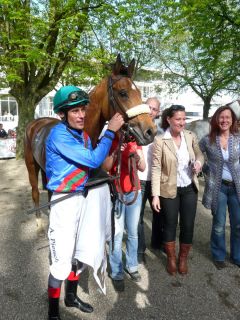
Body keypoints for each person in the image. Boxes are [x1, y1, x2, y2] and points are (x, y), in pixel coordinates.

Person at [45, 85, 124, 320]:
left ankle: (71, 297)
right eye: (74, 111)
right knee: (61, 261)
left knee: (78, 255)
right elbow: (91, 160)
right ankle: (52, 312)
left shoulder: (85, 136)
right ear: (62, 114)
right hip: (64, 202)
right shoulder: (58, 135)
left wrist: (114, 151)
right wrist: (110, 131)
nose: (81, 115)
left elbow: (95, 167)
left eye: (82, 110)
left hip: (83, 199)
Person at [151, 105, 204, 275]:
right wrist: (155, 195)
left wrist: (198, 163)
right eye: (178, 119)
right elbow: (156, 168)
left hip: (189, 188)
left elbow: (199, 154)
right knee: (170, 225)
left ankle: (182, 258)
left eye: (184, 119)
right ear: (168, 119)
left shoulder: (190, 136)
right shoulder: (160, 140)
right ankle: (171, 258)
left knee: (187, 225)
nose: (182, 123)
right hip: (169, 189)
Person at [199, 105, 240, 270]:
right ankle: (218, 255)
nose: (224, 120)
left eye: (227, 117)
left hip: (237, 188)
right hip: (218, 188)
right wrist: (204, 168)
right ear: (216, 119)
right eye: (221, 117)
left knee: (238, 224)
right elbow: (197, 155)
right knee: (219, 223)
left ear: (232, 120)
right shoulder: (207, 139)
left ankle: (237, 256)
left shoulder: (238, 138)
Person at [102, 137, 145, 292]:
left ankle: (132, 266)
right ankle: (116, 271)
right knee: (117, 233)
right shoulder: (109, 140)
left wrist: (138, 158)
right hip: (116, 192)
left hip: (134, 191)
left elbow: (143, 167)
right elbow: (104, 166)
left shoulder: (135, 142)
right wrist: (115, 153)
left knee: (133, 232)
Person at [137, 97, 164, 262]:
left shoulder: (161, 133)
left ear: (158, 112)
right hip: (138, 179)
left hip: (155, 181)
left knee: (159, 214)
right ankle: (140, 250)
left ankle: (157, 243)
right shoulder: (135, 127)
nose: (151, 111)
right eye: (148, 107)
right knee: (137, 217)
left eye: (154, 109)